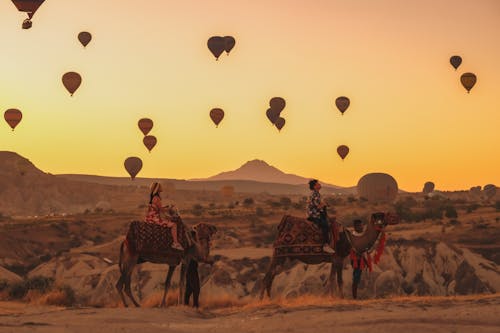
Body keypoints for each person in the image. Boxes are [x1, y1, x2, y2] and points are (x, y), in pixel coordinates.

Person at [145, 182, 184, 251]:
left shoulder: (153, 197)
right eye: (160, 186)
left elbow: (158, 207)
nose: (162, 187)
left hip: (150, 217)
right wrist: (169, 208)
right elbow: (161, 210)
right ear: (157, 188)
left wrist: (166, 207)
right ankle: (175, 243)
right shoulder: (157, 198)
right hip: (155, 219)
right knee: (174, 225)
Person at [306, 179, 335, 254]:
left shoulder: (316, 193)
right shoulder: (315, 194)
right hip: (314, 214)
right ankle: (325, 245)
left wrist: (324, 204)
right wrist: (324, 204)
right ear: (315, 186)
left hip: (316, 213)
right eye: (318, 184)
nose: (319, 185)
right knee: (326, 226)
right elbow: (318, 207)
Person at [351, 219, 365, 299]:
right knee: (356, 276)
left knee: (358, 276)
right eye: (360, 225)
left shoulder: (361, 235)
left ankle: (355, 296)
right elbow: (353, 247)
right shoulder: (353, 236)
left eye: (362, 225)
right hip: (356, 259)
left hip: (360, 258)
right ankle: (354, 297)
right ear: (356, 227)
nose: (362, 227)